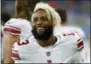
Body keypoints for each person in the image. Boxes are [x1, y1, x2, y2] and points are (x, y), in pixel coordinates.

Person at [3, 2, 84, 63]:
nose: (39, 22)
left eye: (44, 19)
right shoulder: (20, 49)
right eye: (35, 20)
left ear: (53, 22)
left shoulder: (72, 41)